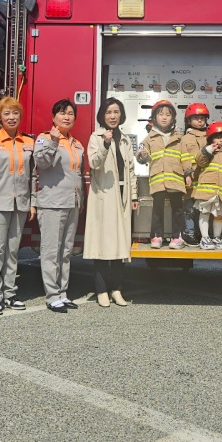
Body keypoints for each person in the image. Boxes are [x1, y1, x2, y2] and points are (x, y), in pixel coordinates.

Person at [0, 96, 35, 316]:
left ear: (20, 116)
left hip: (20, 203)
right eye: (6, 113)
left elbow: (33, 175)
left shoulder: (28, 142)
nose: (11, 117)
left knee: (12, 251)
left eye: (15, 113)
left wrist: (33, 202)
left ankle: (10, 292)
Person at [83, 97, 138, 308]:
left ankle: (117, 289)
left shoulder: (124, 139)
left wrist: (133, 196)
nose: (113, 116)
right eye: (108, 112)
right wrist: (105, 144)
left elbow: (130, 169)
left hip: (123, 196)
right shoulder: (96, 137)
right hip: (105, 197)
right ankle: (101, 290)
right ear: (102, 116)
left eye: (116, 112)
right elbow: (94, 163)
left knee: (120, 246)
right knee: (102, 245)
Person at [34, 99, 85, 314]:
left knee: (65, 251)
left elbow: (79, 174)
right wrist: (54, 142)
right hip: (52, 203)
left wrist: (80, 200)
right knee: (50, 251)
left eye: (71, 113)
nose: (67, 117)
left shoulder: (77, 143)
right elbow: (41, 163)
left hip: (72, 202)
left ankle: (63, 292)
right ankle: (52, 295)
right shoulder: (44, 138)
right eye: (62, 113)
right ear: (53, 117)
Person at [137, 100, 190, 249]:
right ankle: (156, 236)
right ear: (154, 118)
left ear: (173, 118)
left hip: (175, 179)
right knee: (157, 209)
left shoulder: (179, 138)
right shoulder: (149, 138)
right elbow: (142, 152)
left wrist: (188, 174)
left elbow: (185, 157)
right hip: (158, 179)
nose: (164, 117)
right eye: (160, 114)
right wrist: (142, 155)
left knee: (178, 209)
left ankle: (177, 237)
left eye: (168, 114)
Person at [193, 121, 222, 250]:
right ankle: (205, 238)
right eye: (217, 137)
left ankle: (216, 237)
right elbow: (199, 161)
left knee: (218, 215)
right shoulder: (208, 152)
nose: (220, 139)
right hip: (207, 190)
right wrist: (209, 150)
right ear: (211, 139)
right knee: (205, 213)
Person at [179, 102, 210, 247]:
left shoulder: (210, 136)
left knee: (202, 208)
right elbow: (183, 157)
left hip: (205, 178)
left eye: (202, 118)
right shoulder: (185, 138)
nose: (199, 121)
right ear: (188, 120)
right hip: (191, 178)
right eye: (196, 118)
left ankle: (201, 233)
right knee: (189, 207)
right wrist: (187, 173)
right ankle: (189, 232)